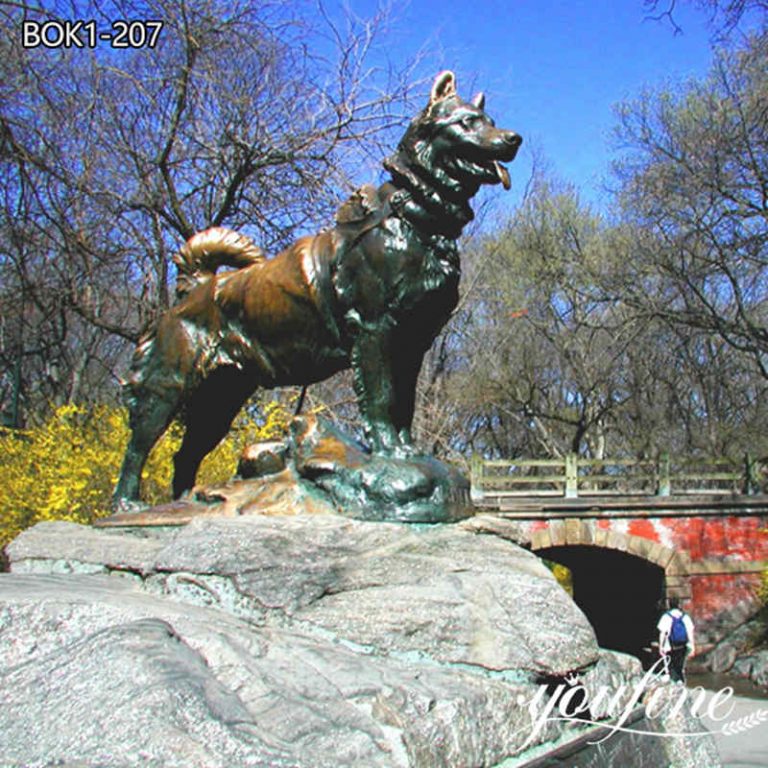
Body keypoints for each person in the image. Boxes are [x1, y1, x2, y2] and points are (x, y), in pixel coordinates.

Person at [657, 597, 695, 683]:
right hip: (682, 646)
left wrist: (660, 646)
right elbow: (690, 633)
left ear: (669, 605)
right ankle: (680, 683)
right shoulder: (685, 617)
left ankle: (674, 685)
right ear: (679, 605)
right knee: (679, 667)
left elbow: (662, 633)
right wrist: (692, 647)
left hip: (669, 646)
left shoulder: (666, 617)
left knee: (671, 667)